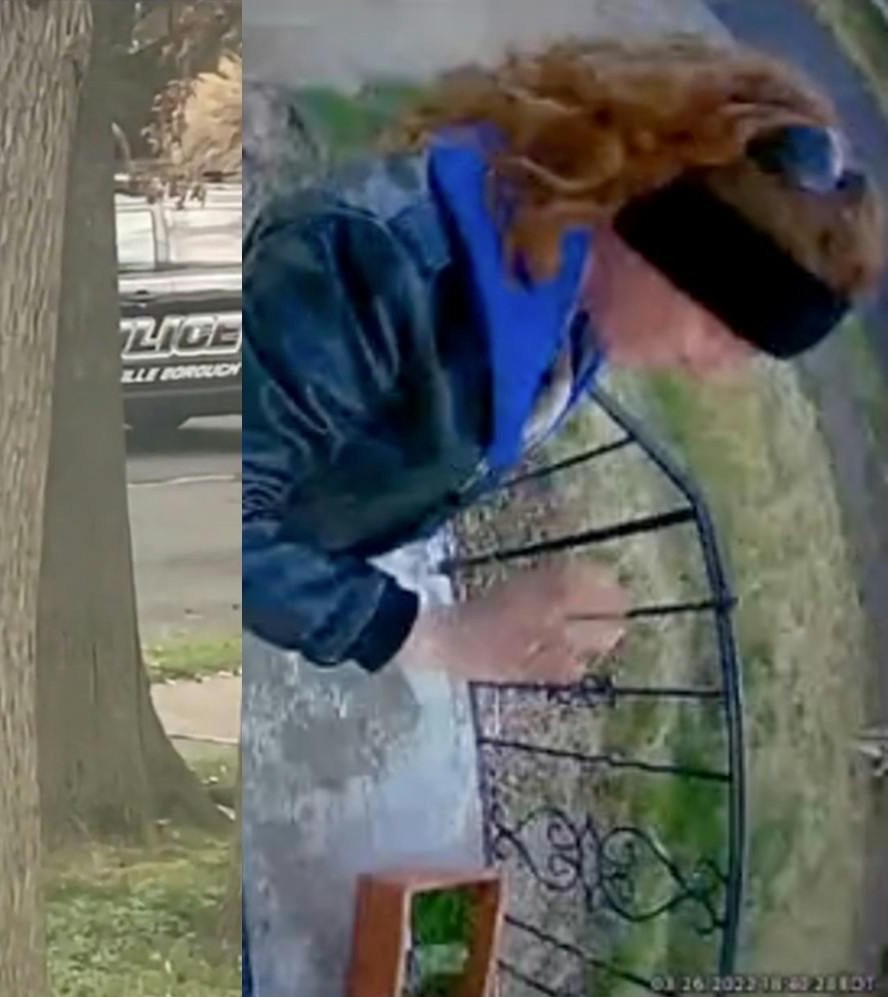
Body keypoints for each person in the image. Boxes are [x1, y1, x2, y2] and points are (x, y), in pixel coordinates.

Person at [244, 38, 882, 683]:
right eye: (725, 332)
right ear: (667, 240)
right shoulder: (373, 269)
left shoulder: (583, 293)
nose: (713, 369)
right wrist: (431, 635)